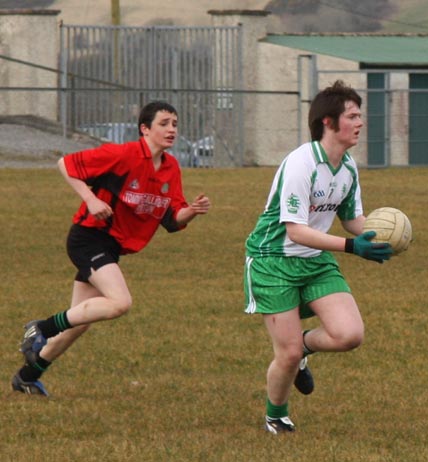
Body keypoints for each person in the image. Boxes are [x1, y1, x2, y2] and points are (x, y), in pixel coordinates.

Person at [12, 101, 211, 396]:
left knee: (81, 321)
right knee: (120, 302)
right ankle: (40, 327)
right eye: (164, 123)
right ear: (145, 129)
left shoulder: (170, 168)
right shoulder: (123, 155)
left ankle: (27, 377)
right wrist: (91, 200)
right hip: (89, 238)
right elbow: (65, 164)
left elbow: (172, 218)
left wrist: (192, 211)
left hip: (111, 246)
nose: (172, 129)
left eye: (175, 124)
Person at [243, 80, 392, 434]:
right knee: (287, 354)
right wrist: (354, 248)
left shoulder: (348, 167)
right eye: (352, 116)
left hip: (315, 258)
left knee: (349, 335)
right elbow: (294, 230)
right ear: (328, 121)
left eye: (360, 115)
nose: (359, 122)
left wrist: (385, 232)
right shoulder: (301, 163)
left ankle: (307, 345)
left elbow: (352, 219)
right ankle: (276, 415)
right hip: (272, 260)